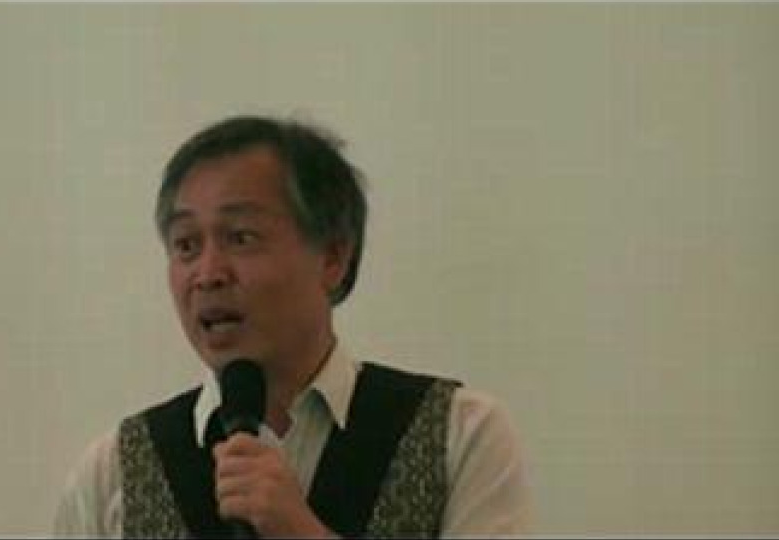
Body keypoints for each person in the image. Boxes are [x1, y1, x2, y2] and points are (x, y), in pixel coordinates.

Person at [53, 115, 534, 538]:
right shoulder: (115, 472)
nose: (208, 273)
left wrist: (302, 532)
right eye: (186, 245)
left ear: (333, 257)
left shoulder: (459, 435)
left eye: (241, 237)